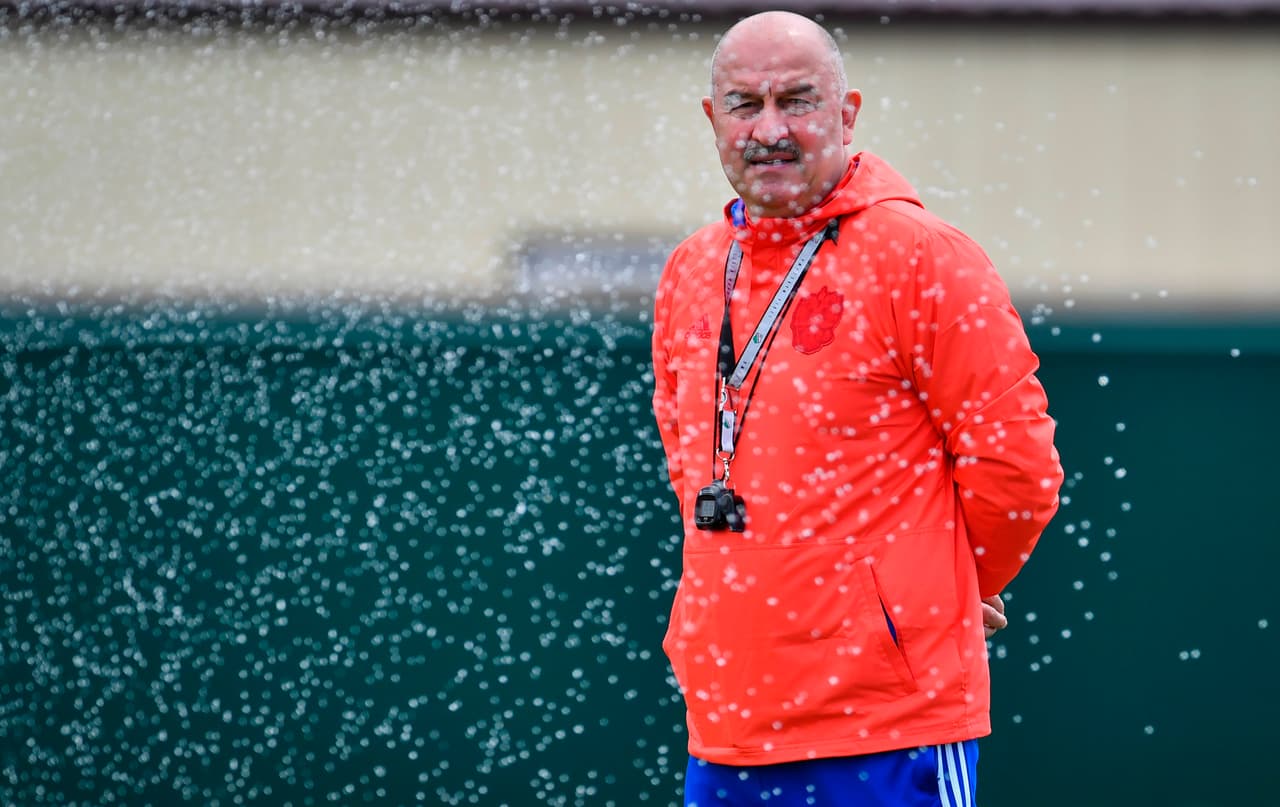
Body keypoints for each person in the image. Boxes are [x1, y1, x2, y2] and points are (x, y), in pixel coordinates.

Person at [649, 11, 1063, 806]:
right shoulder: (692, 271)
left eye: (798, 100)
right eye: (745, 104)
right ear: (713, 121)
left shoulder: (922, 256)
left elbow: (1016, 465)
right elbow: (686, 455)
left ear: (847, 113)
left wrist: (940, 592)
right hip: (729, 717)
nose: (770, 128)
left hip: (888, 723)